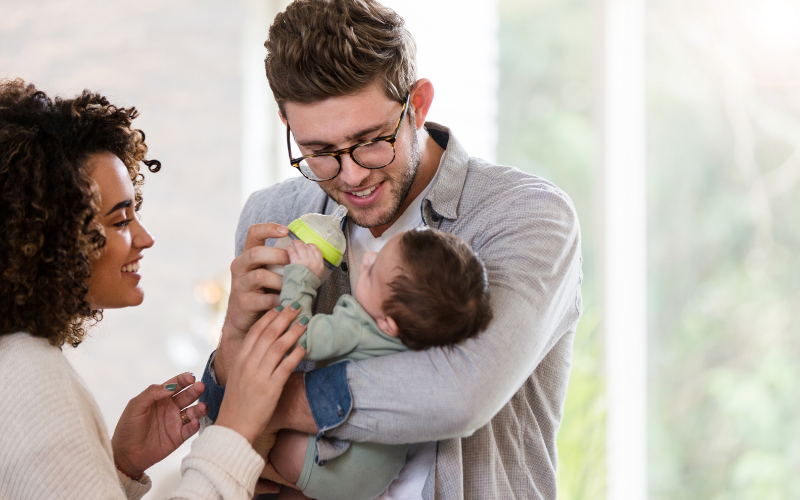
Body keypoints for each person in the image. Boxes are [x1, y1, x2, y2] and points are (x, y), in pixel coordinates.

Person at [200, 0, 583, 498]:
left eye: (371, 140)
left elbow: (460, 394)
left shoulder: (524, 216)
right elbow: (231, 453)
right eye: (319, 153)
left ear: (417, 105)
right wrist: (233, 337)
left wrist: (259, 400)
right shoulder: (274, 215)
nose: (353, 175)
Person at [0, 79, 308, 500]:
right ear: (52, 235)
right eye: (121, 220)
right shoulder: (29, 378)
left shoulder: (20, 361)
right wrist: (237, 426)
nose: (145, 238)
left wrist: (118, 465)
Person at [269, 229, 492, 499]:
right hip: (376, 477)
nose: (367, 259)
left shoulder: (359, 325)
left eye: (372, 272)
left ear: (388, 323)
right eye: (379, 252)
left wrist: (301, 278)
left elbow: (295, 339)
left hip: (334, 469)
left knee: (260, 433)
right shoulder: (427, 341)